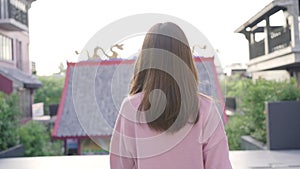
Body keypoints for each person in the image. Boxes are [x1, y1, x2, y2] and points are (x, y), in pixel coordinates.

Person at [109, 22, 232, 169]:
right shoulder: (206, 109)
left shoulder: (131, 107)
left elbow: (120, 166)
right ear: (186, 59)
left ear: (146, 59)